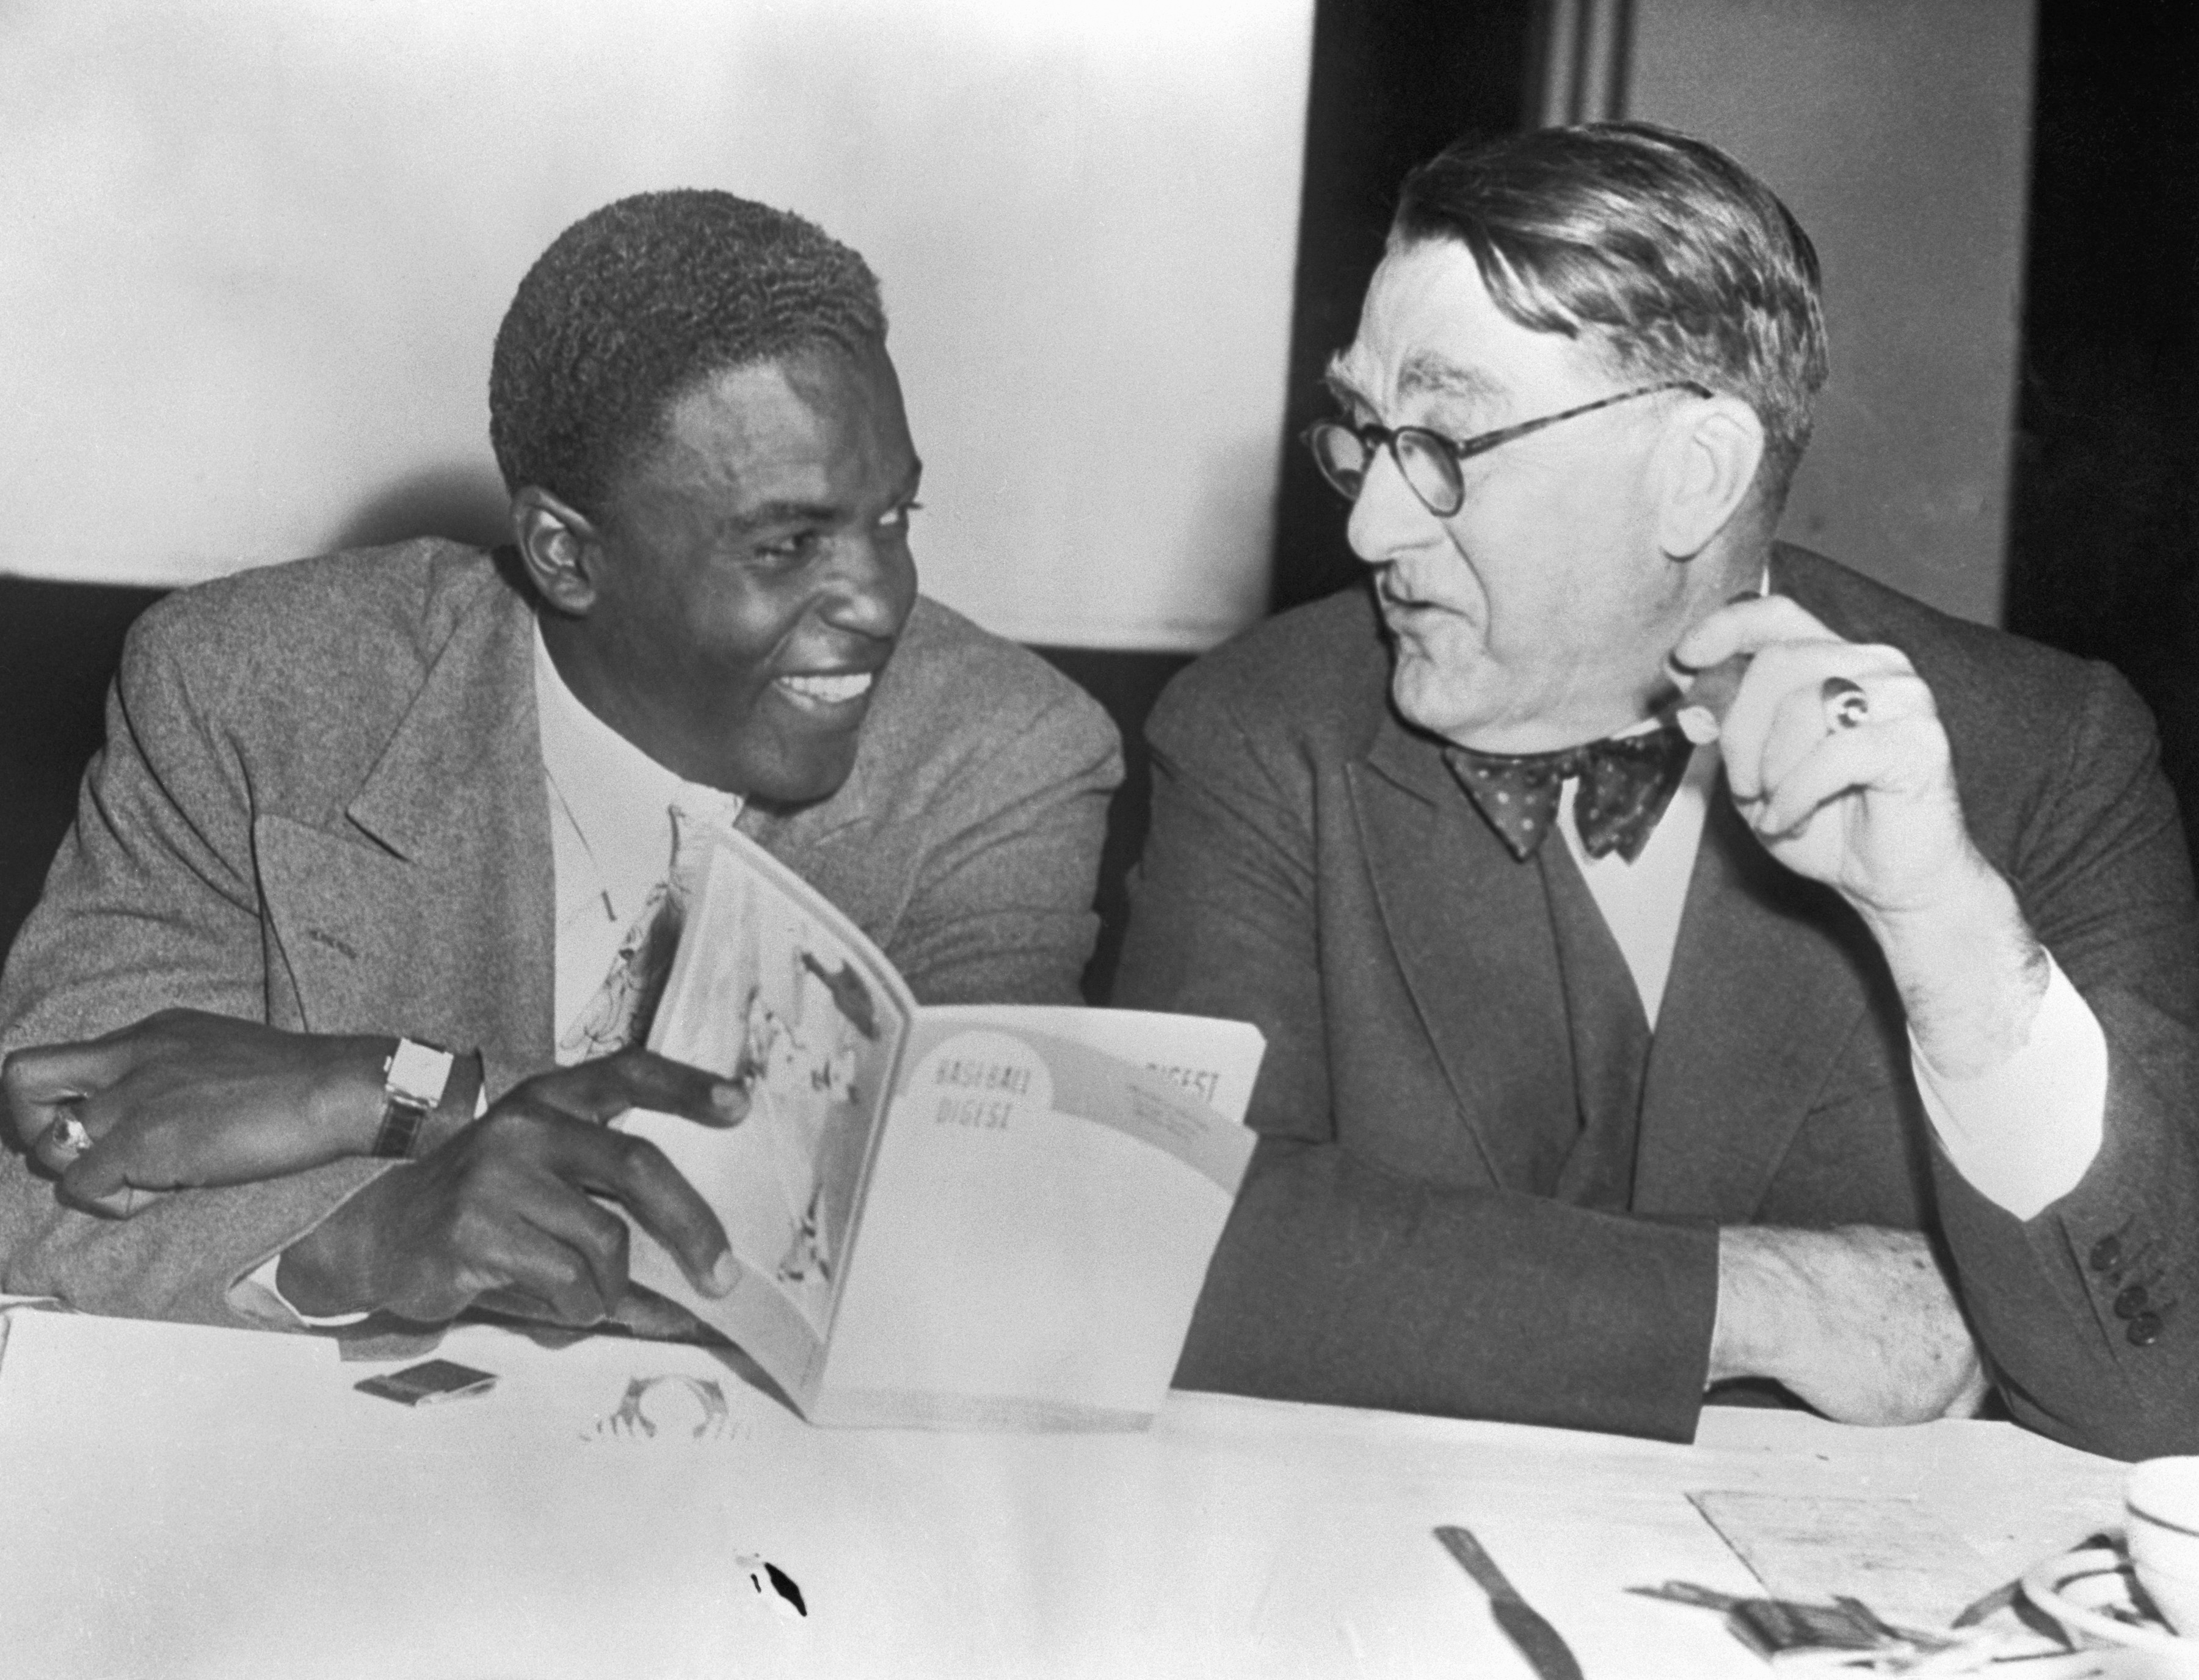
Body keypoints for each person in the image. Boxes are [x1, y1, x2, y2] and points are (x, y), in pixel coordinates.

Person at [1113, 123, 2199, 1461]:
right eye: (1365, 434)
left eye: (1446, 442)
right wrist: (1756, 1300)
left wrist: (1946, 928)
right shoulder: (1262, 730)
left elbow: (2161, 1384)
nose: (1369, 527)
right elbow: (1159, 1234)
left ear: (1694, 475)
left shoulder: (2043, 751)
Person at [0, 191, 1120, 1334]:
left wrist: (389, 1087)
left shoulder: (1000, 750)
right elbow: (46, 1167)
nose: (884, 601)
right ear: (565, 555)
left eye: (894, 517)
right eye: (788, 546)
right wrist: (364, 1242)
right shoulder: (252, 686)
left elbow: (964, 1220)